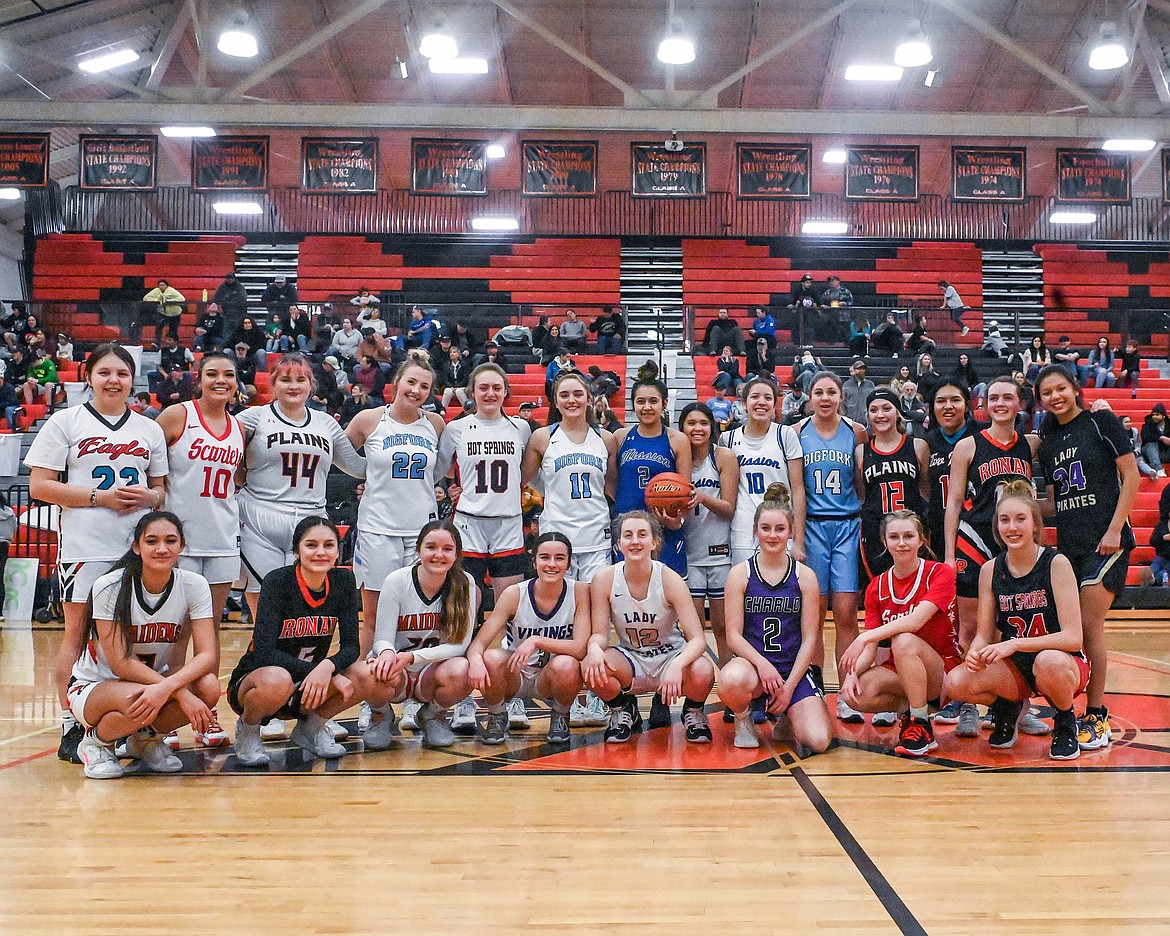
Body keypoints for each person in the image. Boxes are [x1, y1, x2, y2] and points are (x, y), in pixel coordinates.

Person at [25, 344, 169, 763]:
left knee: (131, 639)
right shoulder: (65, 422)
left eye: (122, 374)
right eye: (105, 372)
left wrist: (151, 495)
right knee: (77, 636)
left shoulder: (149, 428)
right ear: (88, 376)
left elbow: (162, 491)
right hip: (86, 546)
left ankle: (135, 724)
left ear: (132, 379)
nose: (113, 381)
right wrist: (98, 497)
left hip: (137, 550)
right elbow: (40, 486)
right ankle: (73, 726)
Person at [236, 353, 366, 738]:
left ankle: (305, 708)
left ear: (313, 385)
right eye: (285, 378)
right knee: (268, 616)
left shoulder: (326, 423)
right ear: (271, 384)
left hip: (311, 520)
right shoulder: (252, 419)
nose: (293, 385)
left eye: (301, 379)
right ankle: (269, 707)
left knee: (305, 619)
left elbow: (358, 467)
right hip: (260, 514)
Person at [69, 512, 220, 779]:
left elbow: (207, 654)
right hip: (95, 688)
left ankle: (144, 739)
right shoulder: (109, 586)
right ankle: (95, 742)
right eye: (152, 541)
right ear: (137, 547)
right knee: (139, 698)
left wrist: (168, 687)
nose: (162, 548)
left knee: (208, 687)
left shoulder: (194, 584)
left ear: (182, 546)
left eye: (170, 540)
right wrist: (179, 693)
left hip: (153, 683)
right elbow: (120, 663)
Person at [943, 482, 1088, 760]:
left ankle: (1066, 719)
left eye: (1021, 519)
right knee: (957, 682)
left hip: (1062, 661)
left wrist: (1016, 644)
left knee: (1048, 661)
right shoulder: (990, 569)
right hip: (1016, 665)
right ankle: (1008, 706)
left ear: (1035, 524)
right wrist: (976, 651)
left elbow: (1073, 637)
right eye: (1004, 520)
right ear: (997, 525)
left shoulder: (1056, 563)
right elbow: (984, 634)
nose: (1012, 527)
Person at [1035, 364, 1138, 752]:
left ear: (1074, 389)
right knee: (1071, 630)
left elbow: (1132, 476)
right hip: (1071, 548)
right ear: (1040, 400)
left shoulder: (1102, 421)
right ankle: (1070, 710)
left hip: (1106, 544)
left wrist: (1115, 529)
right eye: (1047, 392)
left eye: (1061, 388)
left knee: (1089, 627)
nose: (1055, 396)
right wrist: (1013, 508)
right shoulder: (1048, 442)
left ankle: (1096, 715)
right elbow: (1052, 503)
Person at [943, 376, 1049, 738]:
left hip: (1014, 543)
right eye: (993, 397)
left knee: (1012, 626)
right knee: (971, 630)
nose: (1000, 403)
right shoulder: (969, 445)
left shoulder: (1031, 445)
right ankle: (969, 706)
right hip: (974, 540)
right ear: (983, 404)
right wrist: (947, 554)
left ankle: (1015, 703)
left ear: (1021, 404)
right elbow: (954, 503)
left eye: (1008, 397)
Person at [229, 516, 379, 764]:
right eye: (311, 545)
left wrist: (327, 667)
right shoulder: (277, 582)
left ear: (337, 550)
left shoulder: (343, 581)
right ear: (297, 550)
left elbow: (352, 646)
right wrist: (318, 672)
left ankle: (312, 728)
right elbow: (264, 651)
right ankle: (248, 730)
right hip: (259, 682)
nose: (321, 552)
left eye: (329, 545)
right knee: (278, 678)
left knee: (367, 673)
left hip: (308, 685)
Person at [436, 363, 532, 733]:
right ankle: (462, 698)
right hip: (469, 526)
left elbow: (526, 473)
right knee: (466, 610)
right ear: (472, 391)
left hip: (508, 523)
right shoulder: (456, 428)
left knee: (512, 615)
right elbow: (441, 471)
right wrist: (454, 490)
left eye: (496, 388)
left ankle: (514, 694)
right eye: (483, 388)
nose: (490, 394)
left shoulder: (520, 427)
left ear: (506, 392)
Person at [156, 351, 245, 748]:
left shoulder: (239, 427)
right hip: (181, 542)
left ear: (237, 382)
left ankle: (207, 719)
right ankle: (169, 718)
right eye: (212, 374)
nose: (220, 380)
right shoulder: (178, 416)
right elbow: (149, 462)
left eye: (228, 374)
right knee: (177, 633)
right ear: (199, 377)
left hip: (223, 537)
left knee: (209, 634)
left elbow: (239, 478)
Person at [582, 512, 716, 744]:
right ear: (619, 544)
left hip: (669, 657)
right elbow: (598, 634)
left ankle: (693, 712)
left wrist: (677, 664)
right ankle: (622, 710)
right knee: (591, 666)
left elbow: (697, 640)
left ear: (654, 542)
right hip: (632, 659)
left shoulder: (670, 579)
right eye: (628, 535)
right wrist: (594, 648)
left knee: (703, 670)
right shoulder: (604, 580)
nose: (635, 541)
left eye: (642, 535)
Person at [719, 483, 832, 752]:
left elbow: (811, 638)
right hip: (754, 669)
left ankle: (786, 714)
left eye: (780, 529)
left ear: (790, 532)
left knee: (818, 741)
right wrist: (763, 666)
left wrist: (790, 685)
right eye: (766, 529)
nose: (772, 535)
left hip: (793, 669)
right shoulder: (740, 574)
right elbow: (733, 636)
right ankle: (744, 718)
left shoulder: (805, 576)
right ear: (755, 530)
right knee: (730, 679)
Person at [839, 510, 961, 756]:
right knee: (856, 694)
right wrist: (852, 674)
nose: (902, 543)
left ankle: (921, 724)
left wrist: (865, 636)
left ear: (921, 540)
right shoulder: (877, 587)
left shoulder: (940, 573)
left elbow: (915, 621)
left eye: (908, 536)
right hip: (902, 670)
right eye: (894, 537)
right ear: (885, 541)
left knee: (903, 640)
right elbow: (871, 651)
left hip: (941, 670)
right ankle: (910, 710)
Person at [466, 532, 591, 744]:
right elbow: (478, 644)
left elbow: (580, 648)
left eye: (559, 558)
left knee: (568, 664)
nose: (551, 564)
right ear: (534, 561)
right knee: (490, 658)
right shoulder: (515, 594)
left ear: (569, 563)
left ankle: (560, 715)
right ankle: (497, 715)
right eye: (545, 557)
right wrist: (476, 661)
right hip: (517, 674)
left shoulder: (579, 592)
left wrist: (536, 640)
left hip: (552, 678)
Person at [367, 520, 478, 748]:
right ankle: (381, 716)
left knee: (463, 669)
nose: (439, 555)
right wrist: (388, 653)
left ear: (457, 554)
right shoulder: (397, 580)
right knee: (370, 670)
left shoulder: (465, 583)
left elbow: (460, 645)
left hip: (432, 670)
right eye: (431, 547)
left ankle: (433, 716)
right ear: (418, 550)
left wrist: (414, 658)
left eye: (447, 549)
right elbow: (382, 638)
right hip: (397, 670)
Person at [797, 371, 867, 724]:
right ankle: (812, 694)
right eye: (819, 392)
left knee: (845, 616)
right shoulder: (797, 432)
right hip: (811, 528)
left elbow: (862, 482)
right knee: (812, 617)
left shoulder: (856, 431)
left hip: (846, 527)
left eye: (831, 392)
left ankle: (845, 695)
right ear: (810, 397)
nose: (825, 398)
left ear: (842, 397)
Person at [923, 381, 982, 732]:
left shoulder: (979, 436)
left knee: (977, 623)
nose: (947, 406)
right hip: (941, 537)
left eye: (954, 400)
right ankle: (956, 693)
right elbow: (928, 491)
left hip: (975, 538)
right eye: (940, 401)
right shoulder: (926, 443)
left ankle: (981, 699)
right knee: (952, 623)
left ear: (967, 404)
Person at [721, 377, 804, 566]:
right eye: (755, 397)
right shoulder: (728, 439)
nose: (761, 402)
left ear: (775, 404)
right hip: (743, 530)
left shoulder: (785, 435)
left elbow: (798, 489)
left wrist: (798, 541)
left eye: (768, 398)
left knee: (783, 593)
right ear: (744, 403)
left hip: (781, 527)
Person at [680, 402, 738, 673]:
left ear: (712, 427)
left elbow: (729, 509)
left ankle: (729, 688)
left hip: (719, 554)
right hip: (687, 555)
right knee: (690, 631)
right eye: (691, 423)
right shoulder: (675, 458)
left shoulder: (723, 457)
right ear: (682, 428)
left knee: (723, 627)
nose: (697, 428)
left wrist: (703, 497)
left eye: (703, 423)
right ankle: (694, 698)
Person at [614, 378, 692, 579]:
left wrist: (676, 521)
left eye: (653, 401)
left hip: (665, 531)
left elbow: (686, 489)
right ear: (633, 405)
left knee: (668, 598)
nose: (646, 407)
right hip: (629, 530)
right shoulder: (620, 437)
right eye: (640, 401)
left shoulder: (677, 440)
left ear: (664, 404)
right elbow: (611, 481)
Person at [857, 388, 929, 581]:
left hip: (910, 532)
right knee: (880, 592)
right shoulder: (861, 451)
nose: (880, 415)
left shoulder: (918, 446)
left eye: (886, 408)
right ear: (868, 415)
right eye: (873, 410)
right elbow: (862, 494)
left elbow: (925, 490)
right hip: (875, 534)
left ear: (898, 412)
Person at [141, 278, 185, 346]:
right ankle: (157, 343)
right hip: (163, 313)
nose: (161, 287)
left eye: (163, 285)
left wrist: (168, 301)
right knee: (159, 326)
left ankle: (172, 344)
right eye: (160, 285)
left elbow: (182, 299)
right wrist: (157, 300)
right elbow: (146, 298)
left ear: (167, 286)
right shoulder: (156, 291)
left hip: (175, 313)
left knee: (173, 330)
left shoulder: (172, 291)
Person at [842, 359, 875, 425]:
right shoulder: (846, 385)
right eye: (858, 369)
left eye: (863, 369)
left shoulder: (870, 384)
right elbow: (843, 402)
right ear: (853, 370)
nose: (861, 371)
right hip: (850, 419)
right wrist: (844, 416)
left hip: (866, 420)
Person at [1141, 403, 1170, 474]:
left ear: (1163, 416)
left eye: (1157, 415)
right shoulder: (1147, 425)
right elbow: (1145, 437)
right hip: (1150, 451)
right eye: (1153, 415)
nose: (1154, 417)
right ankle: (1158, 469)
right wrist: (1160, 437)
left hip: (1165, 452)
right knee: (1151, 444)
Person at [0, 492, 13, 622]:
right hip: (4, 545)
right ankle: (0, 612)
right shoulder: (9, 511)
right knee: (0, 579)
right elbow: (14, 527)